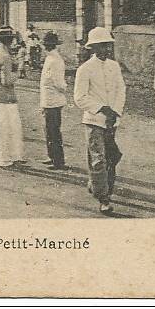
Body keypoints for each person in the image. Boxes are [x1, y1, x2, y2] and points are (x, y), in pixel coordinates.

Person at [73, 27, 126, 215]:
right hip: (94, 120)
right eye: (102, 46)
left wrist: (115, 113)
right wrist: (103, 109)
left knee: (112, 157)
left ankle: (96, 184)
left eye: (108, 45)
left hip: (112, 122)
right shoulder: (85, 69)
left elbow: (121, 90)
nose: (106, 50)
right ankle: (104, 198)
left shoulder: (114, 66)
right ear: (93, 47)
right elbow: (79, 97)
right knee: (98, 160)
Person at [0, 27, 25, 169]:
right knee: (9, 127)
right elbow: (7, 81)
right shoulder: (5, 56)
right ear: (9, 41)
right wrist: (19, 71)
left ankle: (12, 157)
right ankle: (6, 158)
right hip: (6, 94)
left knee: (8, 126)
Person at [39, 32, 67, 169]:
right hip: (49, 100)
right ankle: (52, 156)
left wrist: (63, 89)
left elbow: (59, 83)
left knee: (53, 131)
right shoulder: (51, 58)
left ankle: (58, 161)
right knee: (49, 131)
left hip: (54, 101)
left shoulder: (55, 60)